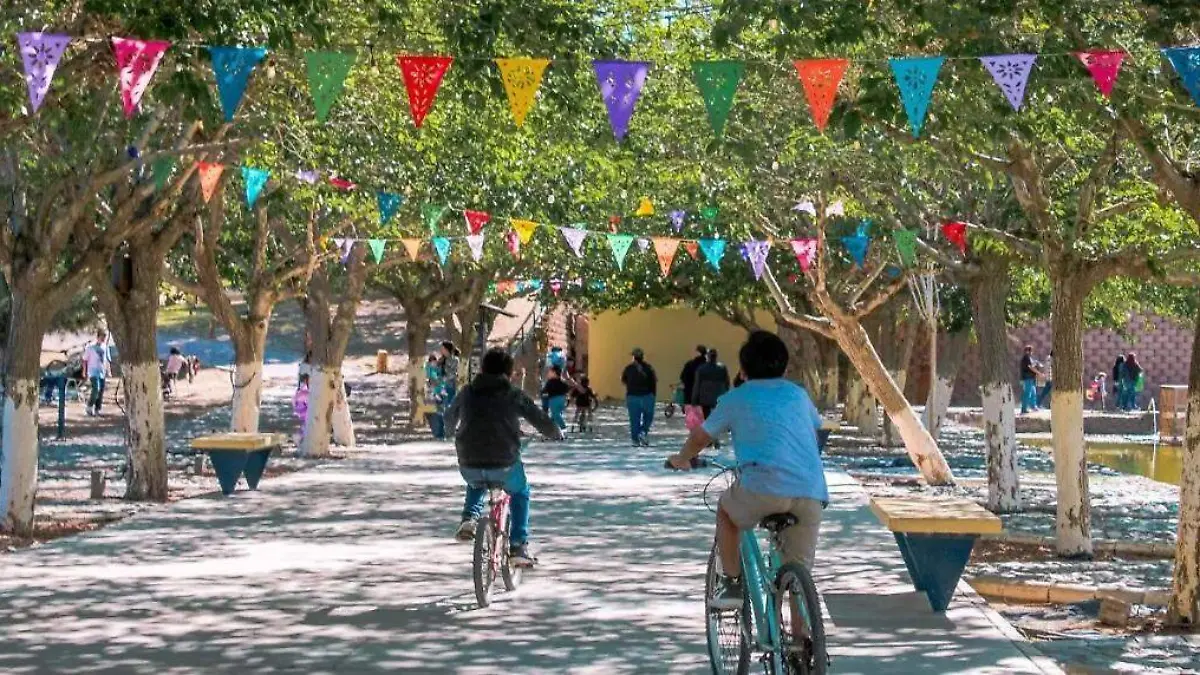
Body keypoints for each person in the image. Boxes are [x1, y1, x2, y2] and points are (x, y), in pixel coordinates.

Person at [667, 330, 827, 611]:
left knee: (726, 512)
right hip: (811, 491)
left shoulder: (736, 398)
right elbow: (816, 430)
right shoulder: (798, 395)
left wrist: (682, 459)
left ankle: (731, 582)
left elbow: (700, 437)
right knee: (798, 574)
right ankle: (802, 635)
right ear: (785, 368)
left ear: (743, 371)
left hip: (762, 487)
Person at [445, 348, 563, 566]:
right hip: (504, 463)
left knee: (477, 480)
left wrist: (450, 431)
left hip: (468, 461)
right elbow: (539, 418)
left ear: (482, 369)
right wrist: (555, 432)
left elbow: (449, 418)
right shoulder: (513, 394)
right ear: (508, 373)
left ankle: (469, 519)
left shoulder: (467, 392)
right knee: (521, 491)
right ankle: (518, 546)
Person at [621, 348, 658, 447]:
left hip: (632, 396)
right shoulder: (649, 368)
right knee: (648, 417)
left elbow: (624, 380)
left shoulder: (628, 368)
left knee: (634, 419)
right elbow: (654, 381)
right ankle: (643, 432)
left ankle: (635, 440)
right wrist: (653, 394)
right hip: (647, 396)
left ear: (633, 357)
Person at [692, 349, 732, 420]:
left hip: (705, 398)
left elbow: (697, 385)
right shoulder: (722, 368)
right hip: (718, 396)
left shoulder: (701, 369)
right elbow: (727, 383)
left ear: (708, 356)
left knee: (706, 417)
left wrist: (694, 399)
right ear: (716, 357)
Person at [82, 330, 111, 416]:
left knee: (101, 391)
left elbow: (107, 360)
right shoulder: (90, 347)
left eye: (104, 337)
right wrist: (84, 371)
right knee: (96, 389)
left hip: (102, 371)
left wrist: (109, 371)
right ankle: (89, 406)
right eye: (102, 337)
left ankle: (97, 409)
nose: (103, 339)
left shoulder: (105, 347)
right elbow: (84, 360)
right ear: (98, 337)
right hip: (93, 371)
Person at [679, 345, 708, 417]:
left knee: (691, 419)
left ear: (698, 353)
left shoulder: (689, 364)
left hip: (690, 396)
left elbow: (682, 377)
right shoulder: (708, 365)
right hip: (705, 398)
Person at [541, 365, 571, 432]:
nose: (548, 374)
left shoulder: (550, 382)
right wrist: (568, 399)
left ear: (554, 373)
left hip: (554, 400)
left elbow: (545, 391)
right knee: (555, 415)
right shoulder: (562, 381)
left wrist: (543, 394)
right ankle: (552, 428)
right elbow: (567, 389)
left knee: (555, 414)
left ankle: (563, 427)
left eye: (549, 372)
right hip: (562, 399)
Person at [1019, 345, 1039, 414]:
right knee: (1027, 393)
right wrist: (1039, 373)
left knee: (1033, 393)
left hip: (1031, 378)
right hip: (1027, 378)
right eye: (1031, 351)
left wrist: (1036, 363)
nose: (1032, 353)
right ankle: (1024, 409)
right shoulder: (1026, 358)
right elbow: (1030, 367)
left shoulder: (1029, 358)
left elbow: (1031, 365)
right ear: (1028, 351)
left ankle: (1033, 406)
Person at [293, 373, 310, 438]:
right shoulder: (304, 391)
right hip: (304, 411)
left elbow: (295, 402)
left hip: (302, 411)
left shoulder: (300, 391)